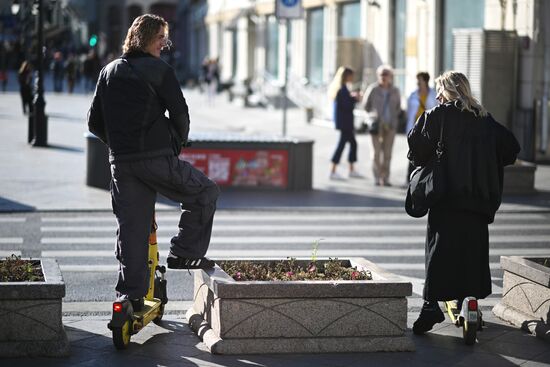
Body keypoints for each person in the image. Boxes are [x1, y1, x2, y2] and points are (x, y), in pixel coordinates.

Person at [87, 14, 220, 311]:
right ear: (145, 37)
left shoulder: (108, 71)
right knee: (204, 192)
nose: (165, 44)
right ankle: (184, 252)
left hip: (121, 163)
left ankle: (130, 297)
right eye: (161, 38)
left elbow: (94, 122)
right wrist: (178, 141)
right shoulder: (160, 70)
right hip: (156, 159)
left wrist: (119, 143)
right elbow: (180, 113)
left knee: (131, 230)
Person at [407, 71, 520, 335]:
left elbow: (415, 150)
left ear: (446, 91)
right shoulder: (485, 120)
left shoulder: (437, 116)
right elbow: (511, 149)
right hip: (478, 202)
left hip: (445, 199)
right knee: (471, 253)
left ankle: (430, 307)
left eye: (439, 90)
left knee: (439, 252)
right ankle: (468, 301)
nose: (436, 96)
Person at [362, 65, 401, 186]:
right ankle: (377, 177)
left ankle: (385, 178)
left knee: (387, 154)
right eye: (381, 74)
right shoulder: (373, 89)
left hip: (390, 126)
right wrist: (372, 116)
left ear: (390, 77)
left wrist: (394, 119)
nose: (383, 77)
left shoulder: (395, 90)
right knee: (375, 153)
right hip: (376, 125)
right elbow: (365, 106)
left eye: (386, 74)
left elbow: (398, 107)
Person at [328, 66, 362, 180]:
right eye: (351, 75)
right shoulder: (342, 89)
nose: (353, 78)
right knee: (343, 145)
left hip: (344, 122)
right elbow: (347, 105)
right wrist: (354, 98)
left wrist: (351, 97)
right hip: (345, 123)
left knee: (352, 144)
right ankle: (333, 170)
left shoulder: (342, 88)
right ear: (346, 76)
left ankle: (350, 169)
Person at [405, 72, 437, 182]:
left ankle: (424, 179)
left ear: (425, 81)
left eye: (420, 80)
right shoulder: (413, 94)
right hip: (415, 128)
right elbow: (408, 111)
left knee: (427, 154)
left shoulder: (434, 94)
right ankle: (409, 178)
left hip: (428, 128)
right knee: (413, 153)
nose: (417, 82)